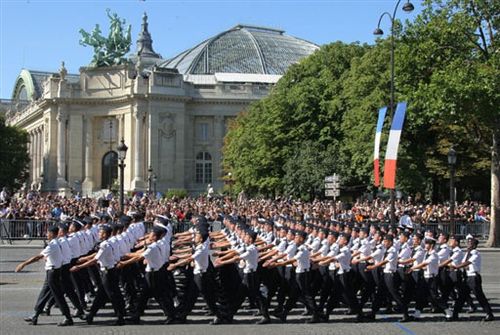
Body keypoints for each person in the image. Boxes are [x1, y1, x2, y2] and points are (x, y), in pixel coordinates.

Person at [15, 225, 74, 326]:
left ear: (52, 234)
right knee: (43, 294)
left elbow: (38, 257)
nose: (46, 234)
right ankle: (35, 315)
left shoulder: (53, 245)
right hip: (52, 271)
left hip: (53, 272)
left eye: (47, 232)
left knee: (58, 296)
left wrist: (23, 264)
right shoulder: (56, 243)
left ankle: (68, 317)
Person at [70, 224, 126, 326]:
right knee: (101, 295)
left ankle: (120, 317)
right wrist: (85, 258)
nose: (98, 234)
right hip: (110, 271)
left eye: (100, 232)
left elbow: (95, 259)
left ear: (105, 234)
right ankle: (91, 315)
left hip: (107, 272)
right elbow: (97, 255)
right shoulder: (111, 242)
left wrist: (79, 266)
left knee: (112, 295)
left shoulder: (105, 244)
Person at [450, 237, 494, 321]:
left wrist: (457, 267)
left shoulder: (475, 253)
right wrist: (462, 266)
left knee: (479, 296)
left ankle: (489, 313)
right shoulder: (467, 253)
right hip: (467, 277)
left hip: (474, 277)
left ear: (474, 245)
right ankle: (455, 314)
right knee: (461, 296)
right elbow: (464, 263)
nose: (468, 245)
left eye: (470, 243)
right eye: (468, 243)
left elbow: (468, 262)